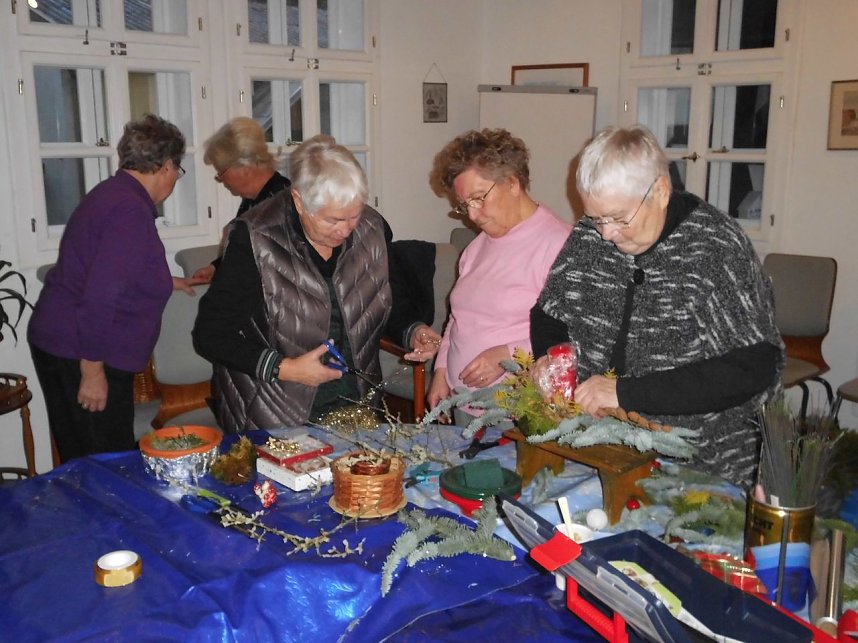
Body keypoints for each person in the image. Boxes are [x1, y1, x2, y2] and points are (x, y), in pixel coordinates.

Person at [530, 124, 784, 487]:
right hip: (600, 446)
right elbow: (549, 313)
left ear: (661, 191)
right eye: (596, 218)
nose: (606, 234)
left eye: (619, 218)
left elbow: (754, 366)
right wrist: (551, 359)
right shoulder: (590, 236)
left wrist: (624, 393)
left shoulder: (716, 248)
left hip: (701, 460)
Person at [28, 114, 202, 462]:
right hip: (83, 352)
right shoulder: (128, 211)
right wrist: (92, 372)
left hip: (69, 343)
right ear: (167, 166)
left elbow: (111, 268)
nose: (175, 178)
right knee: (104, 462)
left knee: (91, 457)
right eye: (178, 170)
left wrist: (165, 281)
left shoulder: (114, 195)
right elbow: (100, 296)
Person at [193, 135, 392, 433]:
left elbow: (381, 302)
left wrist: (412, 330)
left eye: (354, 215)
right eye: (333, 220)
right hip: (275, 411)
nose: (346, 230)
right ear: (299, 201)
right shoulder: (256, 239)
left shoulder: (372, 227)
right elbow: (211, 334)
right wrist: (286, 368)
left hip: (358, 406)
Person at [415, 128, 572, 416]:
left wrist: (506, 354)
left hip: (520, 413)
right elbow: (459, 317)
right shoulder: (476, 247)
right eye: (465, 205)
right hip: (462, 403)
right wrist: (441, 371)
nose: (472, 215)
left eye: (478, 198)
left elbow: (575, 336)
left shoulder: (560, 245)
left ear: (512, 183)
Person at [192, 117, 292, 282]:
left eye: (221, 171)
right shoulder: (254, 199)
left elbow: (271, 269)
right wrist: (216, 268)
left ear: (244, 167)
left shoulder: (279, 201)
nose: (220, 179)